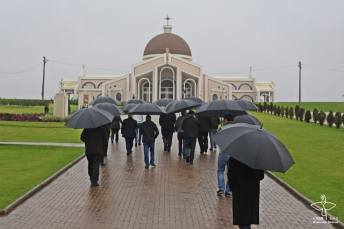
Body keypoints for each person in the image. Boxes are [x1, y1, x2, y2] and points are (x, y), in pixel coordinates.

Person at [228, 158, 264, 229]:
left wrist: (233, 188)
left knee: (242, 221)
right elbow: (261, 176)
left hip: (240, 191)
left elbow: (231, 175)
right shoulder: (257, 158)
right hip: (253, 192)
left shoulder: (235, 157)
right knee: (247, 220)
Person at [216, 114, 234, 196]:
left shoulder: (222, 128)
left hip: (223, 152)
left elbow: (218, 140)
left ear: (226, 120)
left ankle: (221, 188)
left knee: (220, 170)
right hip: (232, 153)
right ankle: (229, 190)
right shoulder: (235, 129)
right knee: (230, 172)